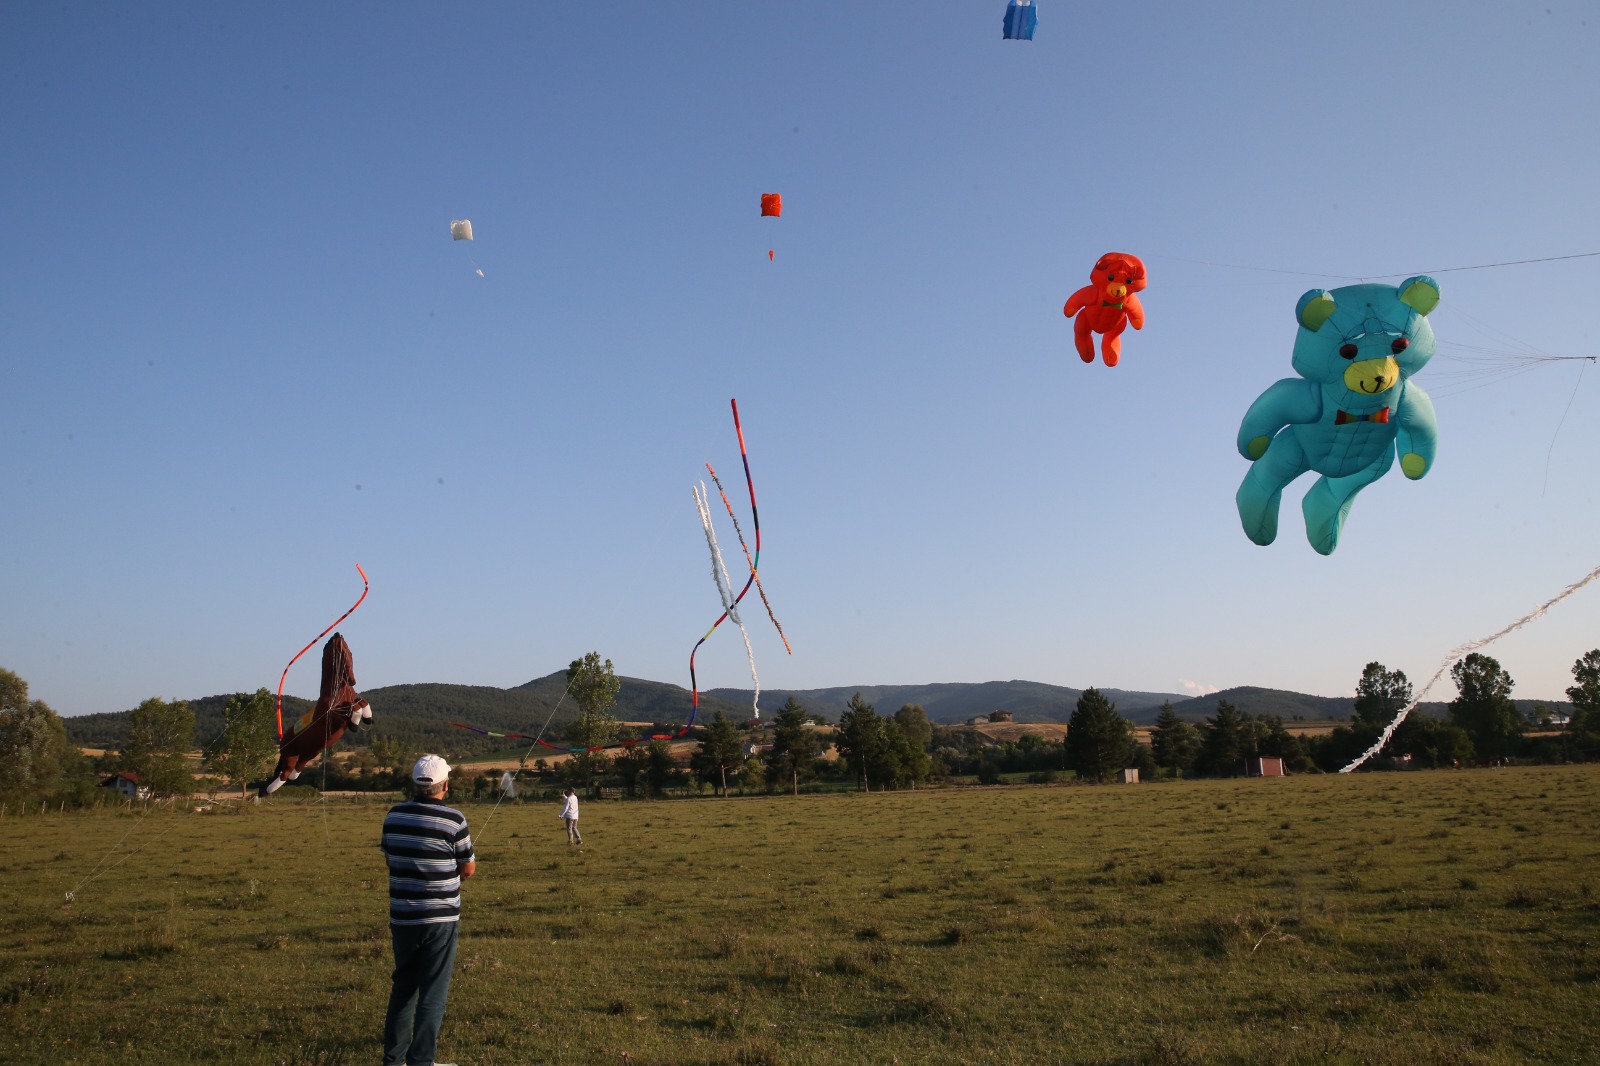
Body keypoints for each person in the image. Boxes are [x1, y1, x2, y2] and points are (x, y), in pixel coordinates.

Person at [381, 755, 476, 1066]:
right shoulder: (455, 820)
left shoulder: (393, 816)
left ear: (414, 784)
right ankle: (421, 1061)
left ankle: (393, 1060)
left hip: (402, 917)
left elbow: (391, 858)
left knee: (403, 987)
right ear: (445, 785)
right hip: (441, 920)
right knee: (433, 992)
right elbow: (469, 869)